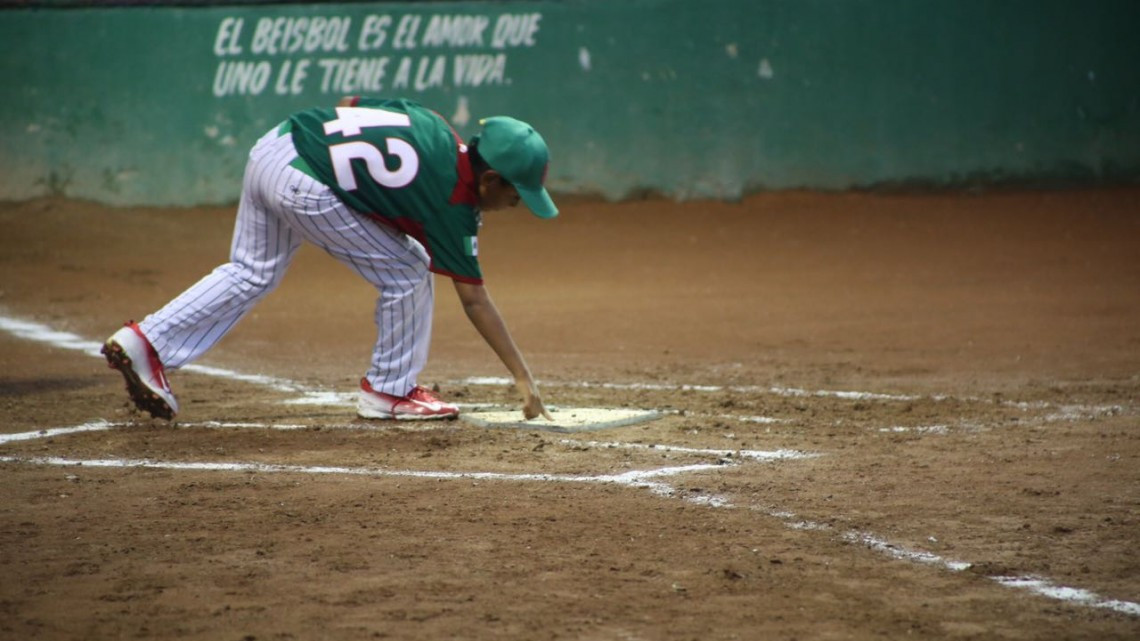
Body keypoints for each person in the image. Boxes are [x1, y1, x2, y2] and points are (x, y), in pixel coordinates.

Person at [102, 95, 556, 422]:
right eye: (516, 195)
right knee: (409, 270)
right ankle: (389, 391)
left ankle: (147, 340)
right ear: (489, 179)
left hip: (275, 147)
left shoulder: (432, 122)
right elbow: (474, 301)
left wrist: (366, 187)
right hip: (306, 186)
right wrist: (523, 377)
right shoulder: (453, 205)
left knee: (251, 270)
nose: (517, 205)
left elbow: (350, 104)